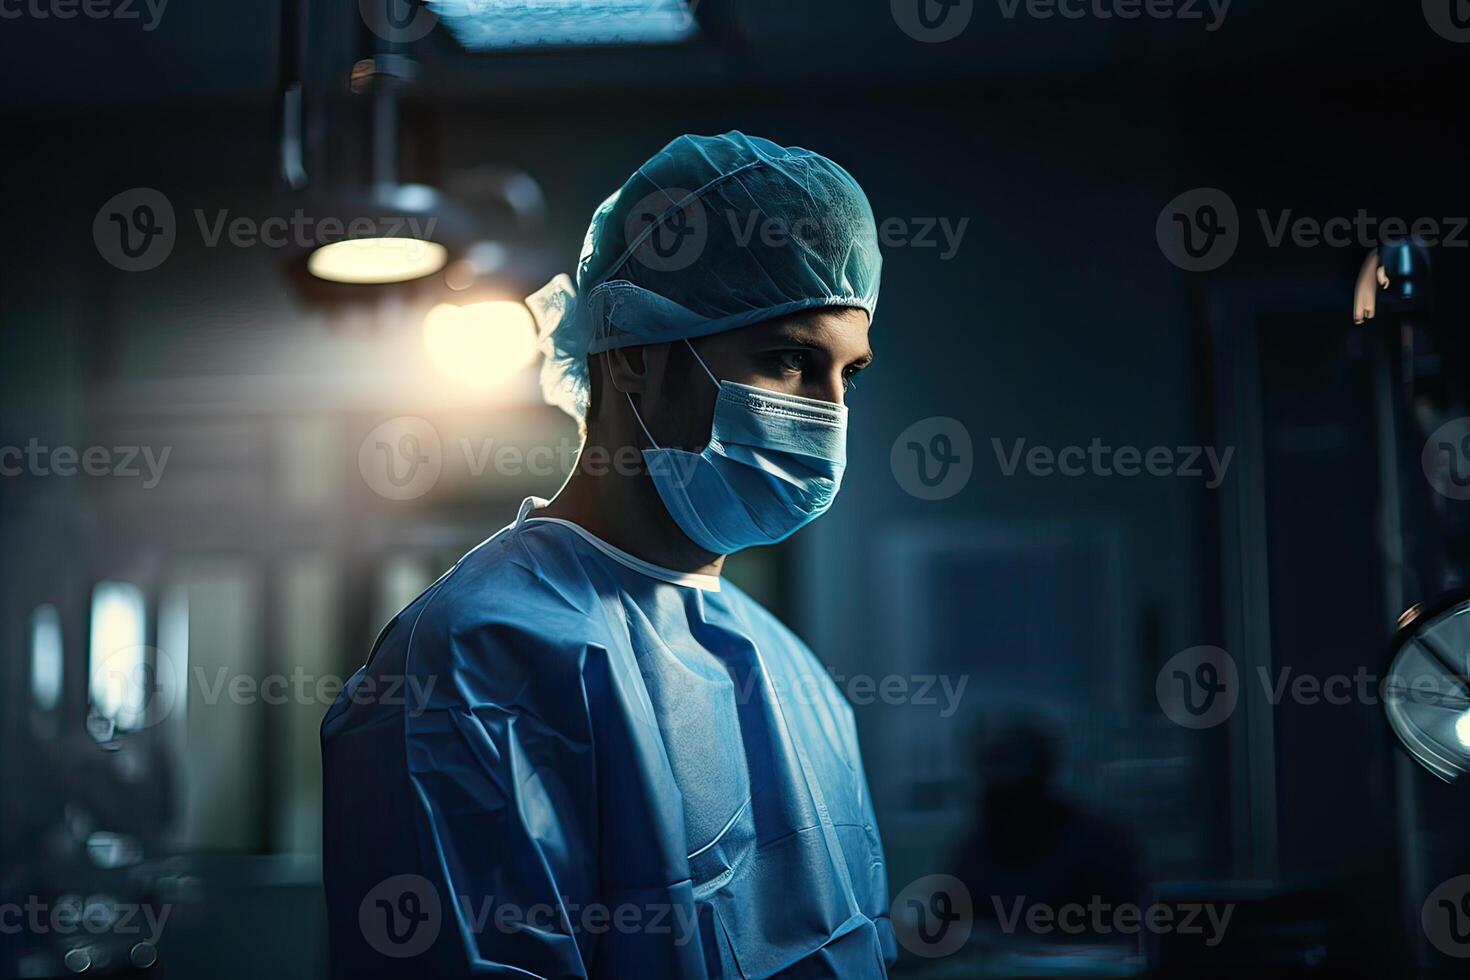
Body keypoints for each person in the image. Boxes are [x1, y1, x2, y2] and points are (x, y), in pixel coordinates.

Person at [321, 132, 893, 978]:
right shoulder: (470, 662)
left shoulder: (798, 679)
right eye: (789, 360)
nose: (830, 412)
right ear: (630, 352)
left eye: (851, 374)